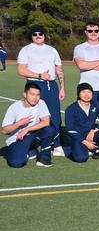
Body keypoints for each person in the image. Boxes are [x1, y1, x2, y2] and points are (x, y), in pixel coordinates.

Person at [17, 25, 65, 155]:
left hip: (52, 86)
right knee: (33, 116)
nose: (38, 36)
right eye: (35, 34)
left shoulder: (52, 50)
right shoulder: (26, 50)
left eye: (40, 34)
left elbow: (59, 69)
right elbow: (21, 70)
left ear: (44, 35)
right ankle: (30, 146)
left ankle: (57, 145)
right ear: (31, 36)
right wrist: (39, 75)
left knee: (55, 116)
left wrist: (62, 88)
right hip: (34, 85)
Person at [3, 82, 56, 168]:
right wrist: (19, 123)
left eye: (38, 95)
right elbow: (4, 130)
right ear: (25, 94)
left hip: (33, 135)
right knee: (16, 163)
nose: (35, 98)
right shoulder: (14, 107)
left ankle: (43, 158)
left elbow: (46, 122)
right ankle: (23, 150)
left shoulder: (41, 103)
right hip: (18, 139)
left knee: (49, 129)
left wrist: (27, 129)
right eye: (32, 94)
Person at [64, 83, 99, 162]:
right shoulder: (71, 109)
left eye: (89, 92)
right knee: (81, 158)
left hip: (90, 134)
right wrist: (85, 142)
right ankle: (70, 148)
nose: (87, 94)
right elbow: (70, 129)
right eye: (83, 92)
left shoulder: (95, 105)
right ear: (78, 94)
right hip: (77, 137)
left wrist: (93, 131)